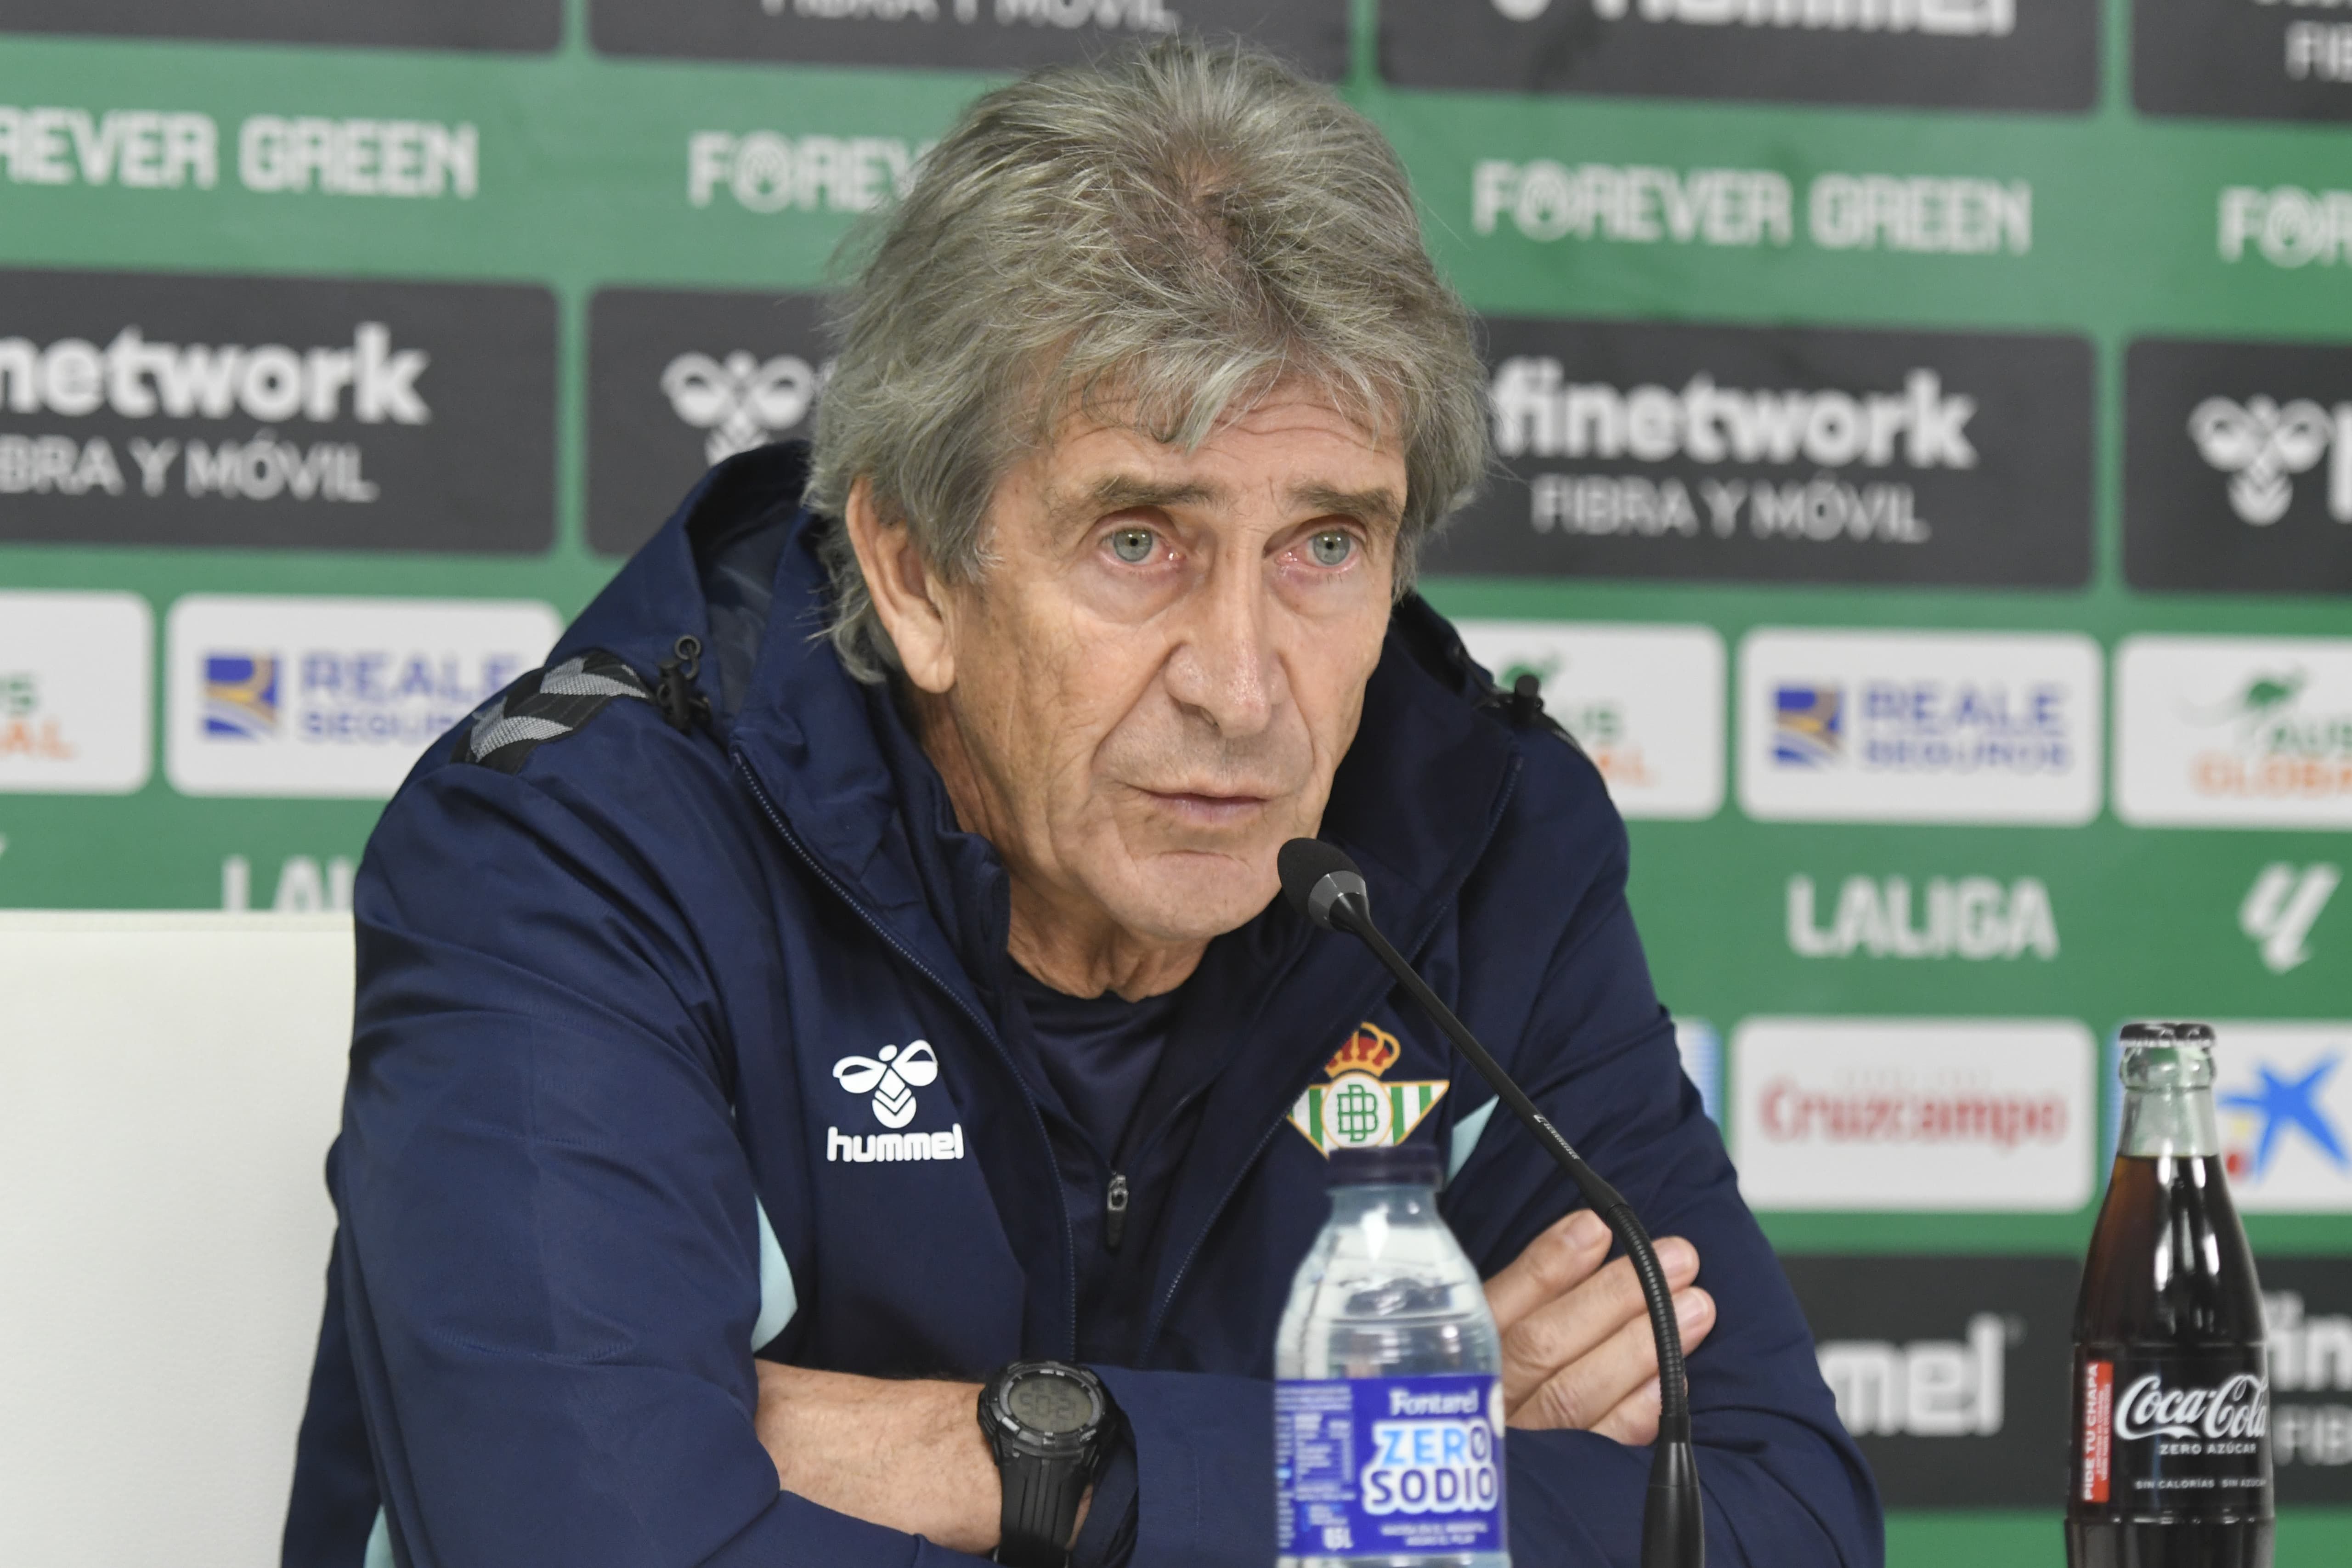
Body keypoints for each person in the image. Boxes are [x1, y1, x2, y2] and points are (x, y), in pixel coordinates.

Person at [283, 39, 1879, 1568]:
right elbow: (594, 1547)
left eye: (1326, 543)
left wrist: (1027, 1460)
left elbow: (1771, 1521)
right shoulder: (578, 858)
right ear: (915, 574)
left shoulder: (1478, 840)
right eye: (1139, 539)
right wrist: (1400, 1477)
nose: (1245, 688)